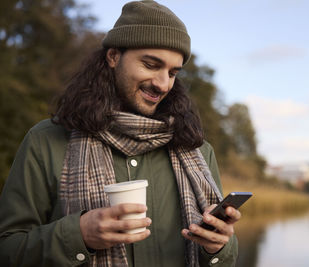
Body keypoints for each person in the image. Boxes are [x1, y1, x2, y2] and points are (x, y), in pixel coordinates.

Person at [0, 1, 240, 266]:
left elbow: (225, 256)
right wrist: (78, 235)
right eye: (150, 65)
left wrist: (219, 248)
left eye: (172, 73)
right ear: (114, 57)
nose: (163, 84)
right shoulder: (47, 140)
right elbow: (8, 248)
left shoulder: (197, 149)